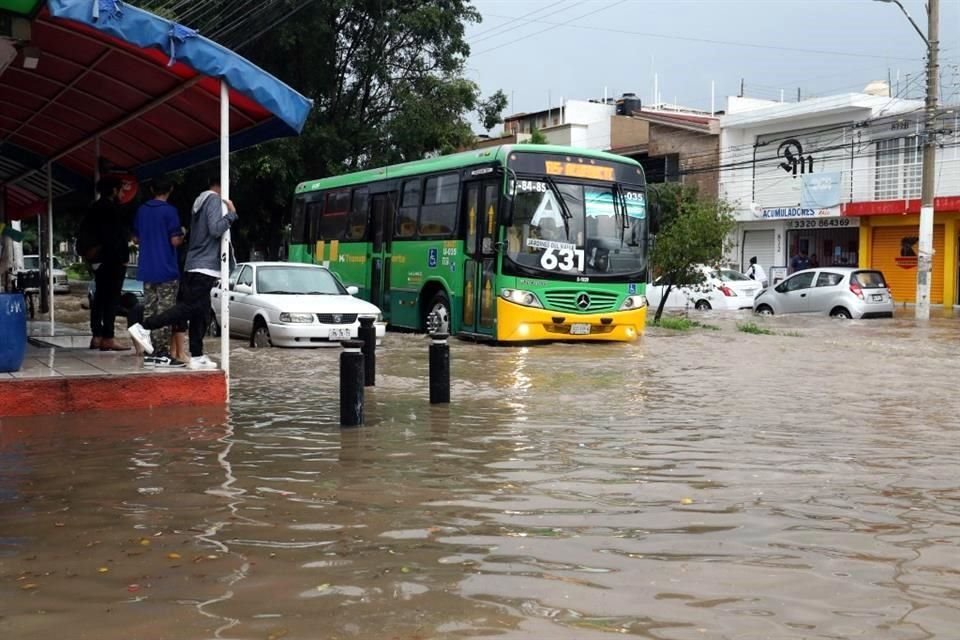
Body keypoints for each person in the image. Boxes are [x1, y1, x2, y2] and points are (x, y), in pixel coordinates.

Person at [127, 177, 237, 370]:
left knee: (199, 312)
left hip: (160, 266)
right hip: (184, 266)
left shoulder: (144, 210)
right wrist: (231, 215)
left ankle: (196, 354)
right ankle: (147, 331)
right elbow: (207, 232)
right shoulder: (203, 203)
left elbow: (135, 238)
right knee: (183, 308)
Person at [133, 179, 185, 368]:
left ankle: (150, 352)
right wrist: (183, 234)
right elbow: (175, 241)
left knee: (149, 309)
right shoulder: (170, 211)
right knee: (165, 312)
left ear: (152, 189)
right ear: (170, 189)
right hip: (166, 269)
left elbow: (136, 239)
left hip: (147, 268)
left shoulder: (142, 210)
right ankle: (161, 353)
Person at [77, 177, 131, 351]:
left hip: (97, 260)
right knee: (111, 299)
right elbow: (114, 237)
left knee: (99, 298)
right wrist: (123, 257)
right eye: (121, 190)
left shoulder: (93, 208)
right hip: (111, 260)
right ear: (114, 190)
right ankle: (108, 336)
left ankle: (97, 336)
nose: (123, 194)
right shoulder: (111, 209)